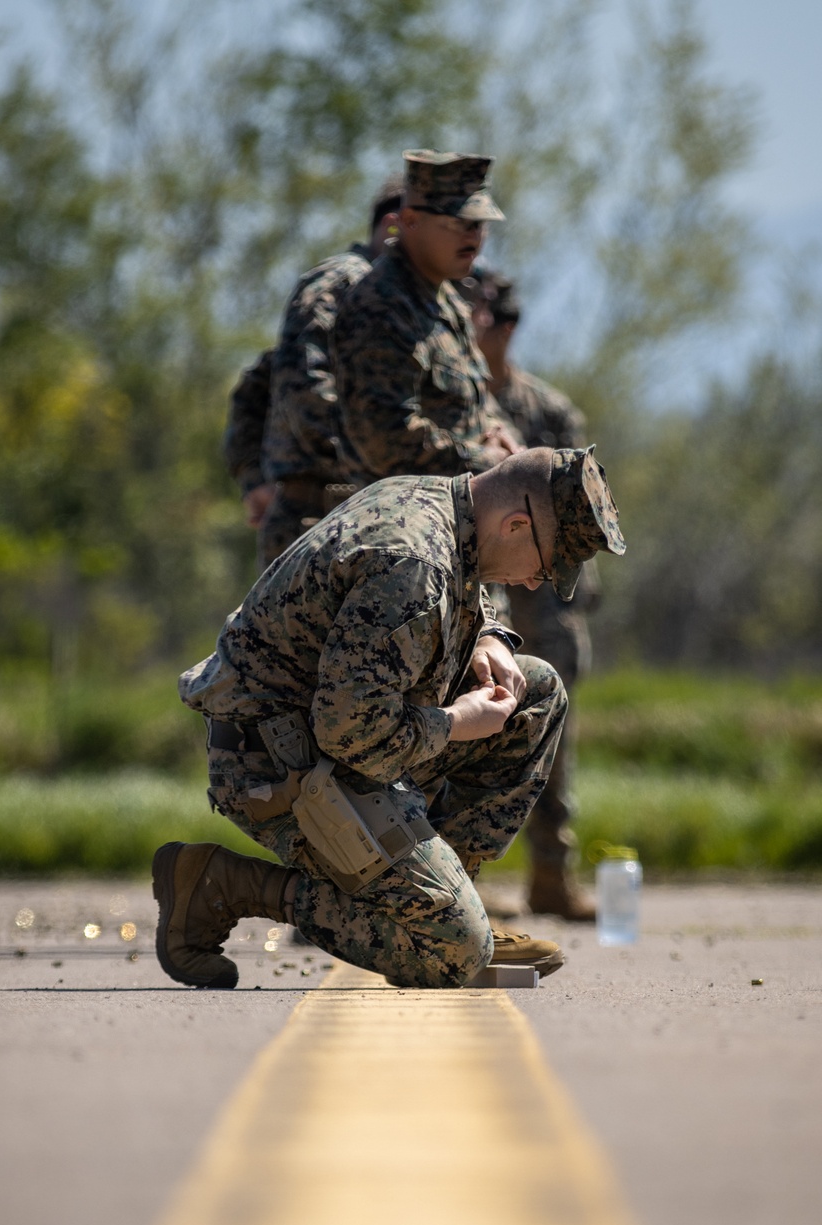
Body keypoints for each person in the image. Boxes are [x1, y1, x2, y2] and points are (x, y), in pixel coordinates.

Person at [151, 446, 626, 992]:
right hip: (279, 762)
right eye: (544, 567)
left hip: (333, 737)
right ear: (517, 524)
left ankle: (444, 899)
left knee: (535, 691)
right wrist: (456, 722)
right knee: (454, 957)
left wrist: (486, 633)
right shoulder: (413, 565)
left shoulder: (437, 500)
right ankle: (225, 884)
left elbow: (460, 586)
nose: (536, 584)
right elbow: (351, 731)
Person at [458, 267, 602, 921]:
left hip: (542, 598)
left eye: (491, 318)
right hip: (472, 586)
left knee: (549, 723)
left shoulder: (546, 409)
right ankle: (457, 872)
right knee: (465, 719)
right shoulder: (446, 404)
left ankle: (551, 870)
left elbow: (583, 509)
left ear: (509, 328)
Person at [223, 177, 403, 568]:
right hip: (322, 517)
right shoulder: (343, 283)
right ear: (394, 225)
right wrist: (253, 478)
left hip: (372, 515)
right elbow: (289, 382)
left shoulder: (409, 300)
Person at [331, 150, 520, 485]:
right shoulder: (382, 305)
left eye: (480, 224)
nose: (474, 237)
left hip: (450, 513)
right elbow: (386, 440)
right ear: (410, 221)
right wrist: (487, 461)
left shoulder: (446, 299)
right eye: (459, 223)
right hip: (396, 521)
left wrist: (501, 437)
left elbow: (471, 409)